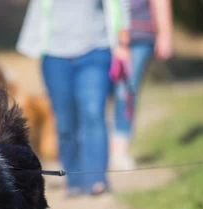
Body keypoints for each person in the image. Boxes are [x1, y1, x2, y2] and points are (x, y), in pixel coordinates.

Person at [17, 0, 131, 196]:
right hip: (54, 55)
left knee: (93, 111)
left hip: (96, 49)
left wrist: (123, 40)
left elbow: (119, 4)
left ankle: (96, 179)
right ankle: (75, 178)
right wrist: (30, 44)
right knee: (65, 121)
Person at [111, 0, 173, 170]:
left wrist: (165, 34)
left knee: (126, 90)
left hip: (139, 33)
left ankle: (119, 150)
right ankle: (97, 149)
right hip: (104, 34)